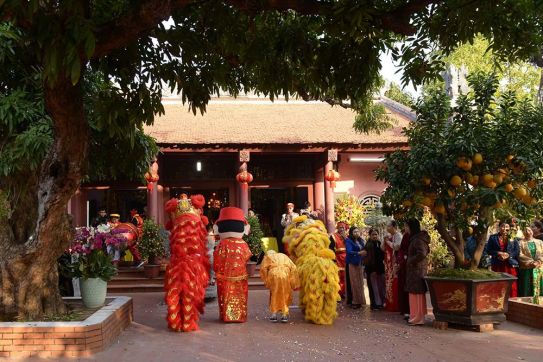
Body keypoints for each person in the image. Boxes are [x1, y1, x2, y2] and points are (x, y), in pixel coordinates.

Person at [164, 195, 210, 332]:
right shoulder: (198, 229)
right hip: (192, 263)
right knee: (190, 294)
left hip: (178, 263)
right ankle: (187, 322)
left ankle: (177, 322)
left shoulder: (176, 232)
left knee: (177, 293)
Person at [213, 207, 252, 323]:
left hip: (225, 278)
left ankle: (227, 316)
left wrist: (217, 271)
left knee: (226, 296)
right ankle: (239, 316)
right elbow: (247, 257)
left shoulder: (222, 244)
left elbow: (217, 259)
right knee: (240, 296)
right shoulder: (243, 243)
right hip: (240, 277)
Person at [259, 250, 299, 323]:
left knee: (274, 293)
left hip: (273, 274)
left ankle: (274, 314)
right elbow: (294, 267)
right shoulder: (283, 255)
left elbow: (263, 269)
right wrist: (293, 282)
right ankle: (284, 315)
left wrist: (266, 280)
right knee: (285, 293)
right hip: (285, 273)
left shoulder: (268, 257)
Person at [405, 218, 430, 326]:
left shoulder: (418, 239)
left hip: (417, 270)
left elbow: (422, 253)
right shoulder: (415, 238)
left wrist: (410, 260)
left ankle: (418, 318)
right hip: (415, 270)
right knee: (414, 294)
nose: (405, 228)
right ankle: (414, 316)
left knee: (417, 294)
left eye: (406, 226)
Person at [487, 221, 520, 297]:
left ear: (509, 228)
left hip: (510, 264)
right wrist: (498, 253)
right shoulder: (493, 237)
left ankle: (512, 301)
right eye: (502, 226)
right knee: (497, 283)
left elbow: (517, 251)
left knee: (512, 284)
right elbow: (489, 250)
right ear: (499, 227)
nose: (505, 228)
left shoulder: (513, 237)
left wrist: (508, 255)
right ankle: (497, 301)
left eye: (507, 227)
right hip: (497, 264)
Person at [518, 225, 543, 303]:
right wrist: (531, 262)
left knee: (538, 286)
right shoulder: (520, 242)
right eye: (525, 230)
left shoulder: (540, 242)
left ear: (532, 231)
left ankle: (539, 301)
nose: (528, 232)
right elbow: (519, 254)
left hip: (538, 267)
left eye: (529, 230)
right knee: (526, 287)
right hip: (527, 268)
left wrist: (539, 261)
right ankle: (526, 303)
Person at [345, 226, 367, 309]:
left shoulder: (361, 240)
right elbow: (349, 251)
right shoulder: (348, 240)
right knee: (353, 283)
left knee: (360, 282)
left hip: (359, 263)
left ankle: (360, 301)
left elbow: (364, 249)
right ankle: (354, 301)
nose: (357, 233)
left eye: (358, 231)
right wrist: (359, 253)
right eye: (355, 232)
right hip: (352, 264)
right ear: (351, 233)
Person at [364, 228, 385, 310]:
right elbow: (367, 259)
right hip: (371, 269)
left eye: (376, 234)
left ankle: (381, 303)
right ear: (370, 236)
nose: (375, 236)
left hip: (379, 268)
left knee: (380, 286)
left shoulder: (380, 243)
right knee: (373, 288)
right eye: (373, 234)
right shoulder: (368, 245)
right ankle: (374, 304)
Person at [383, 220, 402, 312]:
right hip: (388, 264)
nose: (387, 228)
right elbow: (383, 248)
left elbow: (397, 246)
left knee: (394, 283)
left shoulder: (398, 235)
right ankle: (389, 304)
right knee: (388, 283)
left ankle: (396, 305)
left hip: (394, 263)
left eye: (389, 226)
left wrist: (388, 242)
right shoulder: (389, 236)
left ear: (394, 227)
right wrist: (384, 241)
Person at [329, 221, 349, 299]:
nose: (341, 229)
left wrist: (346, 239)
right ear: (337, 228)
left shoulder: (347, 237)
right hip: (337, 258)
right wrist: (333, 259)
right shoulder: (333, 236)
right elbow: (331, 248)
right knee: (337, 277)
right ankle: (337, 293)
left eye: (343, 228)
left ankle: (343, 292)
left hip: (346, 259)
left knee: (345, 277)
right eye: (340, 227)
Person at [396, 227, 411, 319]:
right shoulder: (405, 236)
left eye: (406, 226)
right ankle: (404, 309)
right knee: (403, 287)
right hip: (403, 265)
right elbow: (401, 249)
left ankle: (409, 310)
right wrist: (400, 260)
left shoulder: (414, 237)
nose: (405, 228)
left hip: (410, 266)